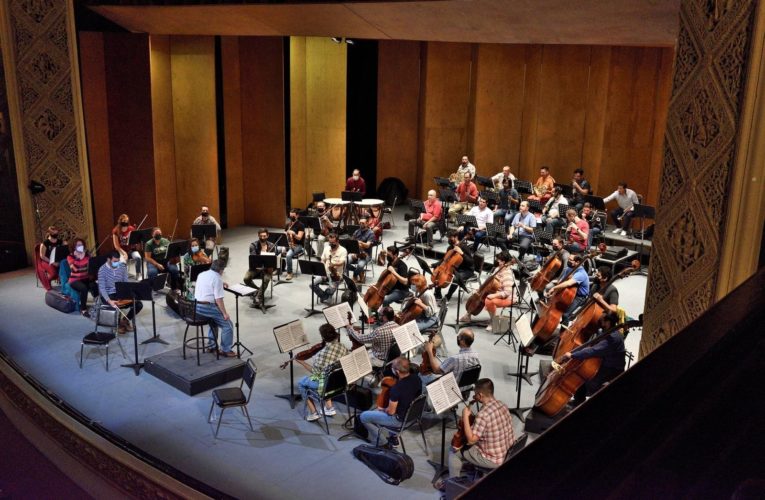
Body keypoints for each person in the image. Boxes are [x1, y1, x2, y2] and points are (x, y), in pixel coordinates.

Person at [437, 378, 514, 487]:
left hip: (493, 459)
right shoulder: (502, 404)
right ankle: (472, 467)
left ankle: (452, 485)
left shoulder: (483, 415)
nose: (474, 397)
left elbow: (471, 440)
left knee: (454, 450)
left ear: (480, 395)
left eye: (475, 394)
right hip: (507, 452)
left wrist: (464, 416)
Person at [562, 311, 625, 405]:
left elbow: (594, 351)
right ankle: (579, 399)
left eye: (602, 319)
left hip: (611, 370)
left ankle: (579, 400)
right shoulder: (606, 331)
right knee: (582, 368)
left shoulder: (613, 337)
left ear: (608, 322)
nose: (599, 320)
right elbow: (592, 347)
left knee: (584, 373)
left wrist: (572, 355)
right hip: (605, 362)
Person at [359, 357, 421, 448]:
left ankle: (383, 443)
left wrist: (382, 409)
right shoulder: (416, 378)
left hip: (400, 420)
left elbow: (391, 412)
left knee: (364, 416)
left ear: (397, 372)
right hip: (414, 415)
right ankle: (393, 437)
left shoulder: (396, 389)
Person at [297, 323, 349, 421]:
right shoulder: (343, 347)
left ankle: (313, 413)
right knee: (328, 373)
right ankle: (329, 408)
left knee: (301, 382)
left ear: (322, 337)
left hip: (326, 386)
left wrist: (302, 362)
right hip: (341, 384)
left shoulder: (321, 354)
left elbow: (315, 372)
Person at [459, 251, 515, 330]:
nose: (497, 261)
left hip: (507, 297)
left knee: (489, 300)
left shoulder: (507, 274)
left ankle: (493, 322)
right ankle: (468, 315)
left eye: (499, 260)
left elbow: (508, 292)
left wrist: (494, 295)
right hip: (496, 291)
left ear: (504, 262)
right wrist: (480, 289)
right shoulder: (497, 269)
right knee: (478, 296)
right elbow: (489, 282)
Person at [194, 260, 236, 358]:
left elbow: (208, 284)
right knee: (228, 325)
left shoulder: (202, 274)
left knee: (213, 321)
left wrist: (221, 283)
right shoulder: (217, 279)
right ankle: (226, 350)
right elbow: (218, 300)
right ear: (221, 270)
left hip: (195, 308)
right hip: (207, 308)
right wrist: (225, 314)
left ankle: (211, 346)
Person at [98, 251, 143, 334]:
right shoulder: (102, 270)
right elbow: (102, 288)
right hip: (108, 294)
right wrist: (109, 301)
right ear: (108, 259)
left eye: (118, 261)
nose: (117, 263)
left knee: (138, 304)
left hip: (120, 291)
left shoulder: (122, 267)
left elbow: (125, 282)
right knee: (116, 304)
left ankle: (125, 320)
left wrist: (128, 294)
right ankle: (117, 325)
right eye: (115, 261)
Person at [547, 253, 590, 324]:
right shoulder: (569, 268)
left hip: (580, 297)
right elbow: (561, 281)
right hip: (570, 291)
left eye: (570, 260)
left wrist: (554, 288)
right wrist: (555, 292)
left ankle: (563, 332)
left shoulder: (581, 273)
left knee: (565, 315)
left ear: (577, 262)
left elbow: (568, 283)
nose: (568, 261)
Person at [434, 230, 475, 302]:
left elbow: (471, 262)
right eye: (448, 238)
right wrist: (434, 265)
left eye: (450, 237)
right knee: (438, 272)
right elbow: (444, 260)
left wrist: (462, 253)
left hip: (467, 270)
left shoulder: (464, 247)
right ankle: (438, 294)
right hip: (455, 267)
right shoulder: (450, 248)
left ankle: (448, 297)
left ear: (456, 237)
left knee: (456, 279)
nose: (449, 239)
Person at [243, 229, 276, 308]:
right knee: (246, 278)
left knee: (267, 279)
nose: (262, 237)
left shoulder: (272, 246)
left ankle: (258, 297)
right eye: (261, 236)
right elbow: (254, 261)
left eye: (264, 236)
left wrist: (270, 268)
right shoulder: (253, 245)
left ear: (267, 236)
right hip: (255, 268)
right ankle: (257, 290)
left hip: (266, 268)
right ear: (258, 235)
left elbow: (273, 261)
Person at [310, 232, 347, 303]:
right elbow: (322, 260)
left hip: (336, 275)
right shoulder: (327, 248)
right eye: (330, 242)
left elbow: (342, 262)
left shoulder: (343, 250)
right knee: (312, 284)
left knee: (331, 289)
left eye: (333, 243)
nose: (331, 244)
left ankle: (326, 294)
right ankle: (325, 296)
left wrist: (334, 264)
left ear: (337, 241)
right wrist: (323, 270)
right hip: (325, 273)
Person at [66, 237, 92, 316]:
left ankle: (100, 304)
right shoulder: (70, 257)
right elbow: (75, 269)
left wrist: (87, 257)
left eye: (81, 245)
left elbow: (92, 266)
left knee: (95, 285)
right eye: (78, 245)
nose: (80, 246)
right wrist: (78, 258)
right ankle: (83, 309)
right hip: (74, 279)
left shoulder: (87, 255)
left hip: (86, 277)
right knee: (84, 288)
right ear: (74, 247)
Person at [347, 217, 377, 283]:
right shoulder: (357, 231)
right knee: (344, 261)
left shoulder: (371, 233)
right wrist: (353, 253)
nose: (361, 224)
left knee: (360, 265)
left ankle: (355, 275)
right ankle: (360, 272)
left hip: (365, 255)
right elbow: (352, 243)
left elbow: (367, 245)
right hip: (355, 253)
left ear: (367, 223)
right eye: (360, 223)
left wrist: (359, 242)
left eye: (363, 223)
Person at [278, 208, 305, 280]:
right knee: (276, 249)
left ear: (297, 216)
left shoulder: (301, 225)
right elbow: (285, 235)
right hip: (288, 243)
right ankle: (278, 269)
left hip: (298, 245)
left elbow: (299, 238)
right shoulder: (288, 224)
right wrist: (285, 234)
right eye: (290, 216)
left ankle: (289, 273)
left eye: (293, 216)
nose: (291, 218)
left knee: (288, 255)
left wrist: (294, 234)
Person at [37, 226, 66, 291]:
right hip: (46, 260)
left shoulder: (60, 242)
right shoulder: (44, 243)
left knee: (65, 270)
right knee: (53, 274)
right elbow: (42, 256)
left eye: (56, 233)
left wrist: (66, 245)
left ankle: (64, 285)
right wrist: (52, 262)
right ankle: (47, 282)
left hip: (57, 260)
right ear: (49, 233)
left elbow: (64, 252)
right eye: (53, 233)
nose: (55, 234)